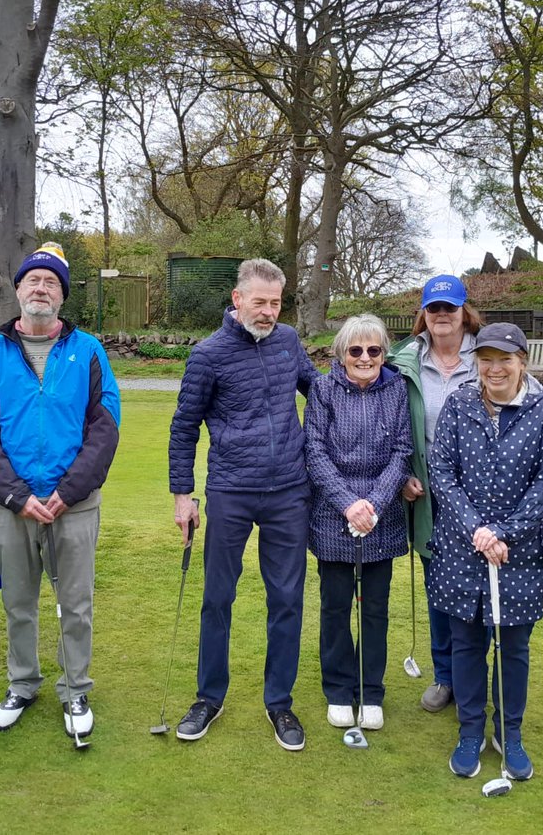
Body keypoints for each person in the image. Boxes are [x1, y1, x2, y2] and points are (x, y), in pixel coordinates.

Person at [0, 243, 121, 738]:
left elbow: (105, 426)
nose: (40, 288)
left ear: (62, 296)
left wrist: (69, 491)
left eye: (51, 282)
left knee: (76, 603)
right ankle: (22, 683)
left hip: (72, 504)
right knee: (18, 602)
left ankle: (75, 689)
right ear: (17, 290)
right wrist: (15, 495)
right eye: (32, 280)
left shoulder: (89, 350)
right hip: (9, 505)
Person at [168, 258, 319, 751]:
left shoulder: (289, 341)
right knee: (217, 598)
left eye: (276, 303)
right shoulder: (208, 354)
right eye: (260, 302)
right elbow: (184, 426)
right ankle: (209, 698)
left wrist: (373, 384)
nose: (269, 312)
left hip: (289, 492)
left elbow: (318, 392)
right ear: (237, 300)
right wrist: (183, 496)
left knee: (287, 600)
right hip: (231, 490)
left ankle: (280, 702)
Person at [426, 322, 543, 782]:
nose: (494, 368)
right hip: (462, 548)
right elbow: (441, 469)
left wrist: (504, 532)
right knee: (466, 644)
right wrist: (477, 529)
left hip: (518, 552)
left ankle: (510, 734)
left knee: (513, 648)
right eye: (486, 359)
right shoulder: (459, 404)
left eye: (504, 359)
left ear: (522, 361)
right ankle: (470, 732)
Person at [304, 314, 412, 732]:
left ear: (384, 354)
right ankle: (338, 689)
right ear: (341, 354)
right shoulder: (324, 389)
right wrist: (350, 504)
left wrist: (376, 503)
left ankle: (370, 692)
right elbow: (314, 452)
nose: (365, 358)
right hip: (334, 513)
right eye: (356, 350)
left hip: (380, 517)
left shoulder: (396, 389)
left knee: (375, 610)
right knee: (334, 607)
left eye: (374, 350)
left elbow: (402, 452)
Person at [389, 274, 483, 713]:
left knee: (479, 587)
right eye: (434, 308)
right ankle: (446, 677)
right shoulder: (404, 359)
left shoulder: (488, 356)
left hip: (481, 492)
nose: (442, 315)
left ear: (465, 311)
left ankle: (475, 678)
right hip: (425, 492)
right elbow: (392, 423)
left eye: (450, 307)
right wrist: (404, 474)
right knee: (438, 588)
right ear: (423, 314)